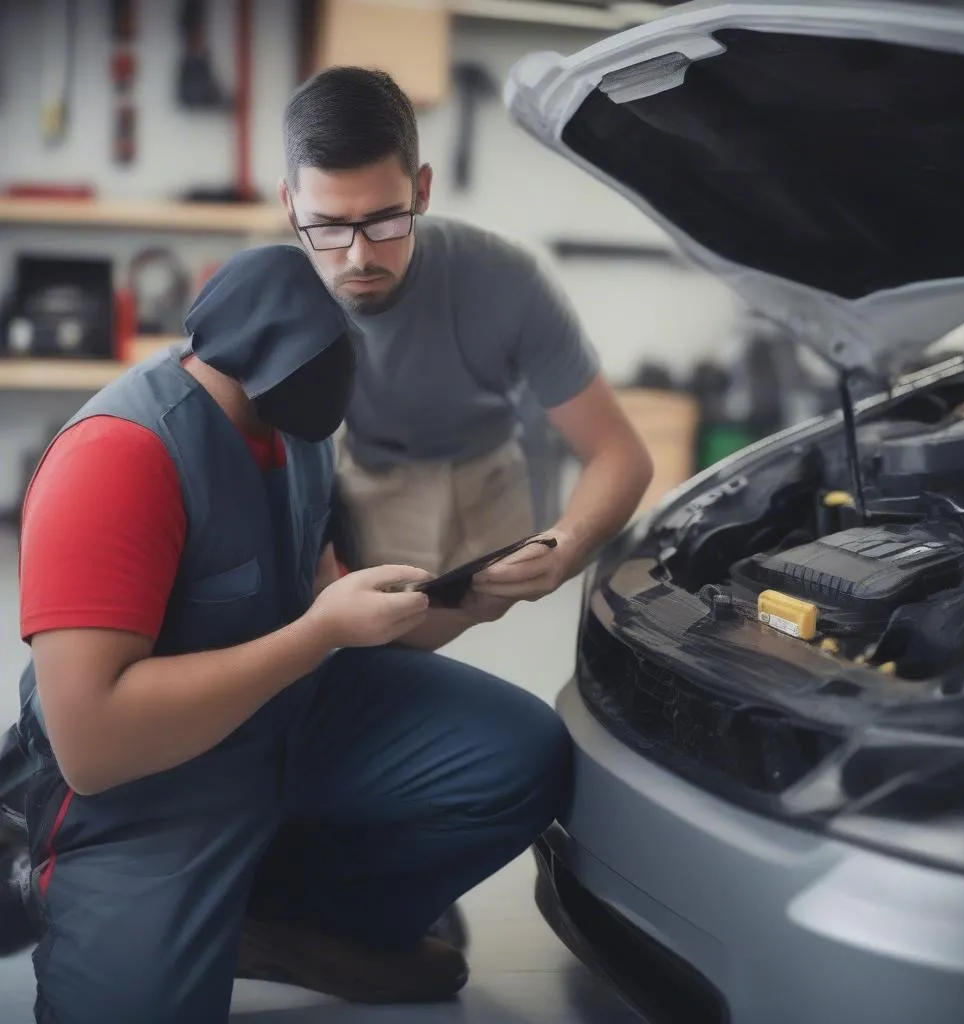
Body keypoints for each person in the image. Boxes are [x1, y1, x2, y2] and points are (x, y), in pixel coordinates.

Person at [12, 244, 572, 1023]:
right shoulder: (117, 456)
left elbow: (322, 591)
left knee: (520, 753)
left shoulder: (293, 426)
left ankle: (299, 928)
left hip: (284, 713)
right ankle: (111, 900)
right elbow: (92, 745)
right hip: (146, 785)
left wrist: (466, 600)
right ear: (272, 356)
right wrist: (317, 635)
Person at [278, 66, 654, 600]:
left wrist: (567, 546)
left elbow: (621, 455)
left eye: (386, 221)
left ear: (423, 190)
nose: (359, 256)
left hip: (490, 497)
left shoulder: (509, 278)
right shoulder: (275, 302)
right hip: (364, 494)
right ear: (289, 206)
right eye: (330, 226)